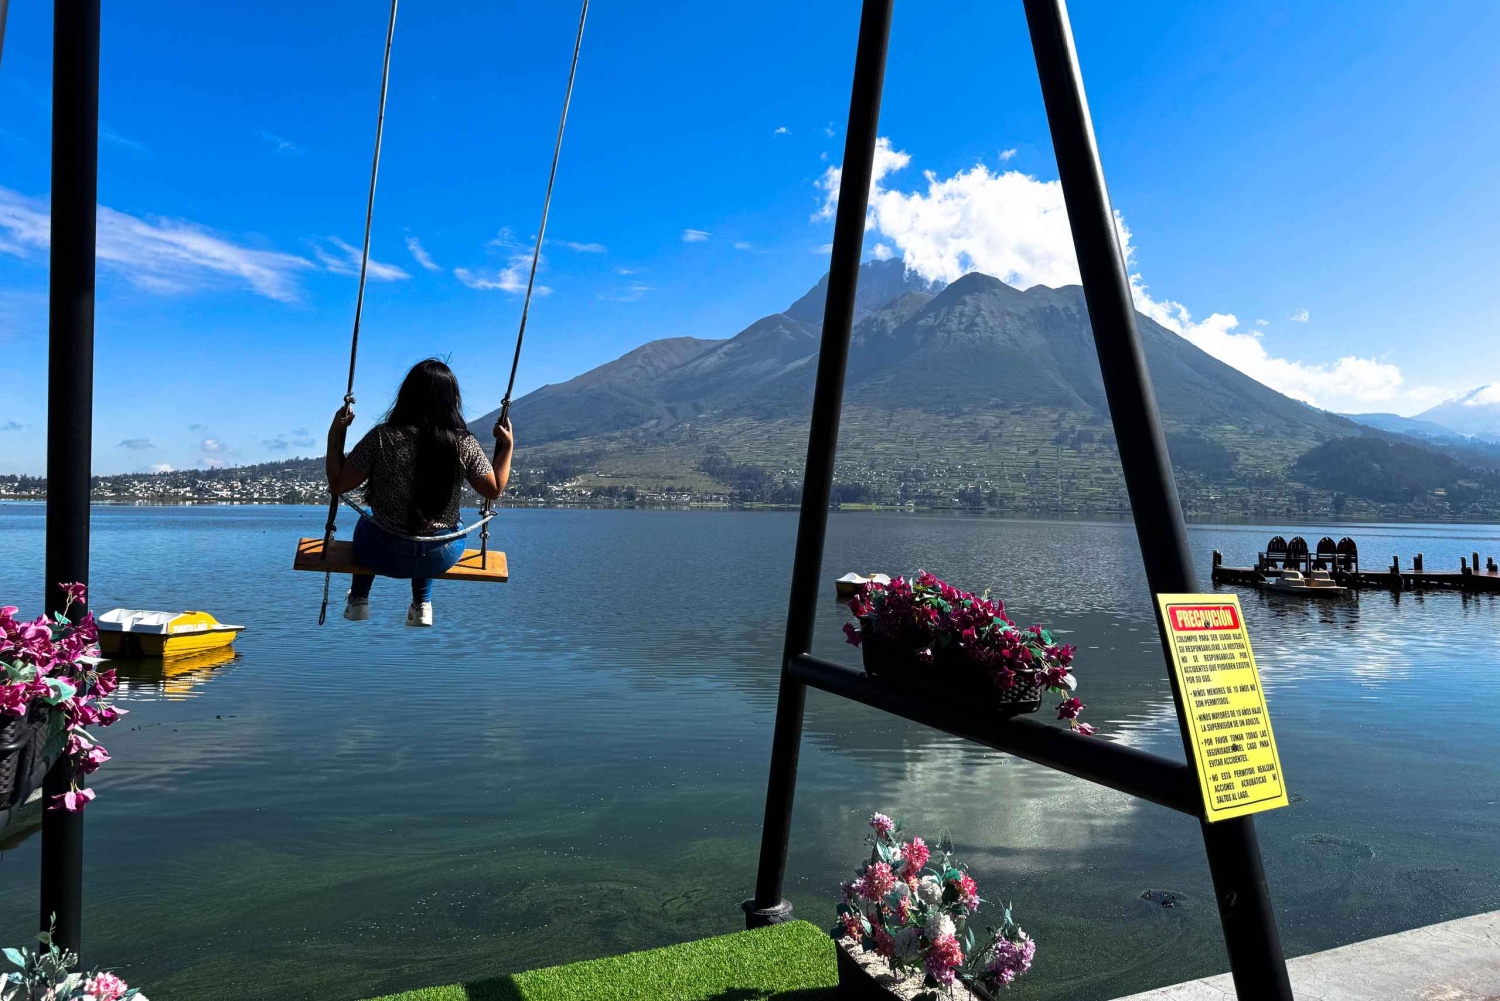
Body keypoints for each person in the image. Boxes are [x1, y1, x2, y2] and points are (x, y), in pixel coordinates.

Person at [325, 358, 513, 627]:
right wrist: (507, 447)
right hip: (441, 556)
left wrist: (336, 434)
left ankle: (358, 600)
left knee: (369, 516)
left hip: (382, 553)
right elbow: (493, 490)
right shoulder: (464, 443)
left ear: (406, 395)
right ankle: (422, 604)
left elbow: (338, 485)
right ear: (452, 400)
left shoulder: (382, 437)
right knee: (435, 529)